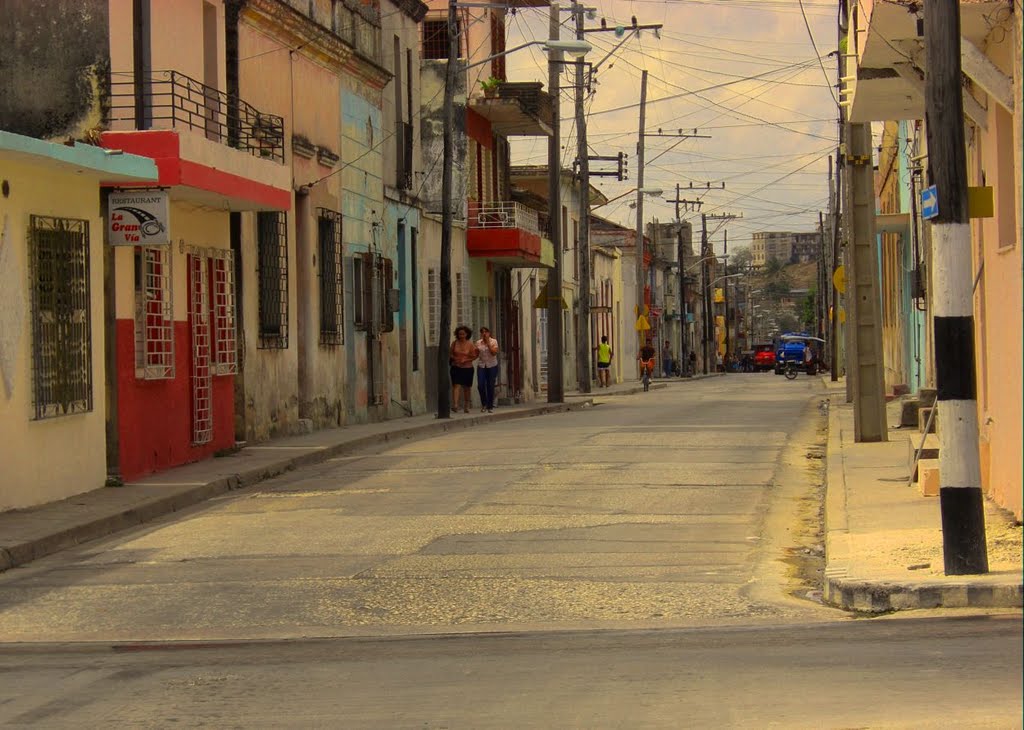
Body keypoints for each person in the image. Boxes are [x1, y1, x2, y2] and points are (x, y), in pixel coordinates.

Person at [449, 325, 477, 413]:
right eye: (459, 334)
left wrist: (466, 360)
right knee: (456, 385)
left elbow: (474, 356)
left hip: (467, 368)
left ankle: (466, 405)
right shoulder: (454, 343)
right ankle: (455, 405)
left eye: (463, 334)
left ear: (467, 334)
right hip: (456, 367)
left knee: (466, 387)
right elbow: (450, 353)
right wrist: (454, 359)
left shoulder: (470, 344)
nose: (461, 336)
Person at [475, 326, 500, 413]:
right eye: (482, 332)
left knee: (490, 385)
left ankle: (490, 406)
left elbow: (494, 353)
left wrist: (488, 343)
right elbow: (476, 354)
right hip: (482, 365)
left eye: (486, 332)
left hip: (492, 365)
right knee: (481, 385)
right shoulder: (478, 343)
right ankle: (484, 404)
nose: (484, 333)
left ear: (489, 333)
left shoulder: (494, 341)